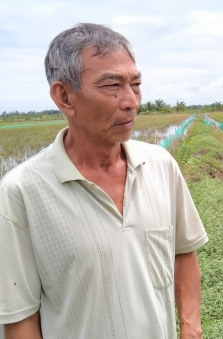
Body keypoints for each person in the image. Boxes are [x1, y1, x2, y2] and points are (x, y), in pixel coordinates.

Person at [0, 23, 208, 339]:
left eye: (135, 84)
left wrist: (191, 329)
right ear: (65, 96)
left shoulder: (160, 166)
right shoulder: (21, 192)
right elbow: (20, 319)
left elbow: (183, 252)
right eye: (112, 85)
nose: (131, 101)